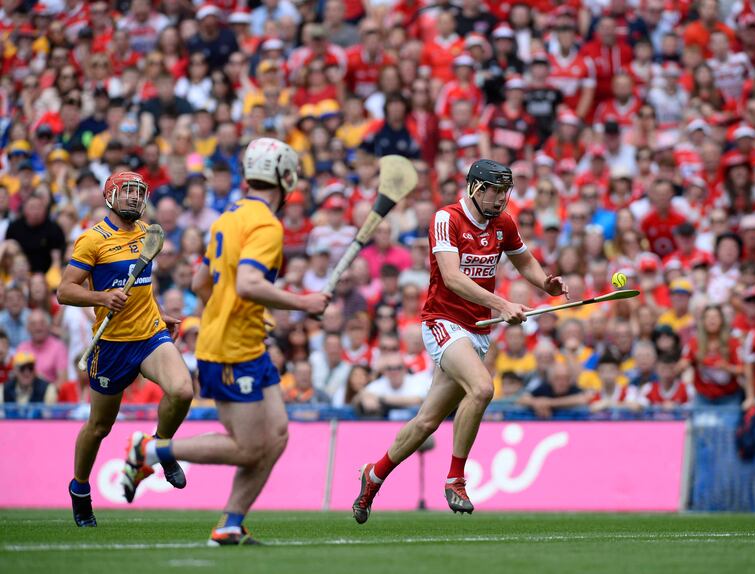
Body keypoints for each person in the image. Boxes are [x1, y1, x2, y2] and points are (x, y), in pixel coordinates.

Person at [122, 138, 329, 546]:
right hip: (232, 349)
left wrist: (231, 313)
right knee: (250, 448)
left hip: (243, 341)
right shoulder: (267, 224)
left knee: (278, 434)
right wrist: (304, 302)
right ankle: (149, 450)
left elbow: (202, 282)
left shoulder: (227, 217)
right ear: (286, 178)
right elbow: (250, 283)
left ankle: (230, 523)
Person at [352, 159, 567, 522]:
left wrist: (545, 283)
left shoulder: (504, 223)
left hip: (478, 329)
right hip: (443, 322)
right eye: (494, 191)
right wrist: (502, 303)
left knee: (426, 422)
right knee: (482, 389)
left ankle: (373, 476)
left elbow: (524, 262)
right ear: (475, 188)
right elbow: (451, 278)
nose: (501, 199)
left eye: (505, 192)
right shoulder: (446, 219)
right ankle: (455, 479)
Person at [57, 171, 193, 527]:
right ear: (110, 197)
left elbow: (142, 287)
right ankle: (80, 489)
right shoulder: (92, 240)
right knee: (99, 426)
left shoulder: (149, 233)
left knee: (182, 390)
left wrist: (160, 313)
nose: (134, 198)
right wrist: (101, 296)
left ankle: (160, 448)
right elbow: (64, 291)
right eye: (127, 192)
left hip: (149, 335)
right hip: (112, 345)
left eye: (138, 192)